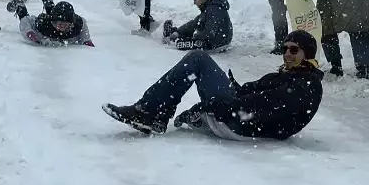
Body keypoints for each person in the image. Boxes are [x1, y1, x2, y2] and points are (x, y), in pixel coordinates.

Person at [103, 30, 324, 140]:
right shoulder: (290, 75)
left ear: (308, 54)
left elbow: (267, 105)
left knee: (198, 58)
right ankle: (152, 112)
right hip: (239, 113)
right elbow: (255, 92)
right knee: (198, 59)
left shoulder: (306, 84)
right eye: (285, 49)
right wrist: (235, 90)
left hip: (243, 123)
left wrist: (215, 106)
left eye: (294, 50)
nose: (287, 54)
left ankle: (150, 112)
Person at [162, 0, 233, 52]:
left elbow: (209, 33)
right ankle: (173, 32)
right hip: (216, 41)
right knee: (192, 30)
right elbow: (194, 23)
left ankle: (173, 41)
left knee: (181, 44)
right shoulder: (210, 7)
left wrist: (195, 35)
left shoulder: (213, 10)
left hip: (215, 44)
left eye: (195, 0)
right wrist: (178, 32)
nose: (194, 3)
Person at [6, 0, 93, 47]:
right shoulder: (43, 24)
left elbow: (83, 27)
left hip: (55, 18)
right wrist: (29, 32)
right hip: (49, 21)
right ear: (54, 23)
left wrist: (86, 40)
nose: (62, 27)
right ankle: (19, 4)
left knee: (57, 14)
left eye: (66, 25)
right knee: (25, 16)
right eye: (60, 24)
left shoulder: (77, 25)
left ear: (71, 24)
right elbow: (26, 20)